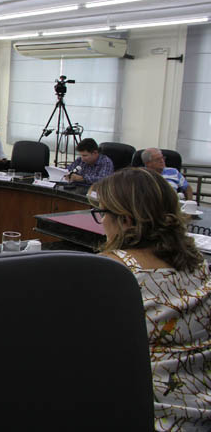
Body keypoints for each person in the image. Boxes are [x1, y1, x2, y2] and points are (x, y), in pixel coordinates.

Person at [90, 167, 211, 430]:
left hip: (148, 415)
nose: (100, 222)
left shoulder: (112, 271)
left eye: (102, 213)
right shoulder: (197, 261)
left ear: (126, 221)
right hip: (202, 406)